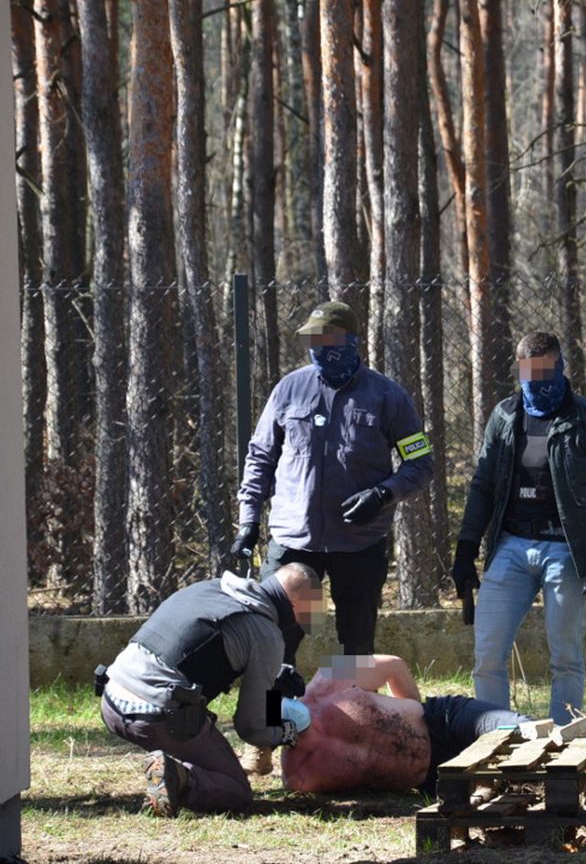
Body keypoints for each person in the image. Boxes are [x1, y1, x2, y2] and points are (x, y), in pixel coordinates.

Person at [232, 299, 435, 661]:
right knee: (274, 641)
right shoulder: (289, 390)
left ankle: (352, 714)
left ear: (352, 342)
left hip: (358, 544)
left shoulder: (387, 396)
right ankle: (274, 716)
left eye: (329, 342)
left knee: (356, 648)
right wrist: (248, 521)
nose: (320, 351)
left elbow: (420, 464)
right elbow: (260, 456)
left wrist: (382, 494)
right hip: (294, 541)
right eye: (314, 343)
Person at [452, 332, 586, 725]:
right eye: (532, 376)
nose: (540, 385)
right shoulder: (505, 417)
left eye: (548, 374)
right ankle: (496, 737)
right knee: (488, 653)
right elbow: (483, 485)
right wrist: (466, 548)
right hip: (510, 545)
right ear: (520, 371)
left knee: (566, 656)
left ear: (562, 367)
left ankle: (564, 744)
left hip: (564, 549)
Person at [97, 564, 325, 816]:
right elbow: (250, 728)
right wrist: (287, 733)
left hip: (112, 697)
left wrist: (271, 677)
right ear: (298, 603)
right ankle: (176, 775)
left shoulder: (210, 587)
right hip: (154, 716)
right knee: (235, 791)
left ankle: (171, 766)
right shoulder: (266, 635)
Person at [280, 654, 529, 797]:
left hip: (445, 721)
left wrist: (412, 714)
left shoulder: (331, 673)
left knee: (527, 733)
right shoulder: (298, 775)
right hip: (430, 781)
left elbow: (393, 665)